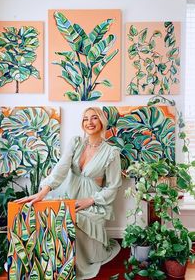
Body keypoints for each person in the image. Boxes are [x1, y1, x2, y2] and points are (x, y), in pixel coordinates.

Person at [17, 107, 123, 279]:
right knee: (54, 219)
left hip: (93, 202)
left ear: (102, 121)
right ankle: (54, 264)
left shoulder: (111, 152)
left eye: (94, 118)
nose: (89, 122)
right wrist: (43, 191)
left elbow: (113, 187)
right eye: (85, 118)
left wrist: (89, 201)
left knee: (75, 220)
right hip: (70, 196)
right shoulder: (76, 142)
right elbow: (61, 168)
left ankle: (72, 267)